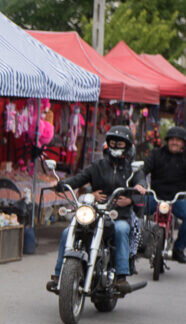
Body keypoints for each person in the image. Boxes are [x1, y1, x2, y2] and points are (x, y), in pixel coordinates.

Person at [48, 126, 142, 294]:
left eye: (120, 143)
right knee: (67, 232)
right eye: (113, 142)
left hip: (119, 215)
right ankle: (58, 274)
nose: (116, 146)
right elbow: (78, 179)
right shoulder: (97, 166)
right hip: (95, 213)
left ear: (127, 146)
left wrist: (132, 197)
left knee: (121, 229)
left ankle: (121, 277)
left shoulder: (132, 170)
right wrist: (60, 185)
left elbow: (142, 185)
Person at [135, 126, 186, 263]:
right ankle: (136, 246)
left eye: (178, 140)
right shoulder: (156, 154)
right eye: (172, 139)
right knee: (136, 210)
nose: (175, 142)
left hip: (177, 198)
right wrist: (140, 183)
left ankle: (178, 249)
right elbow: (143, 170)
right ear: (167, 141)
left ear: (183, 143)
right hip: (155, 196)